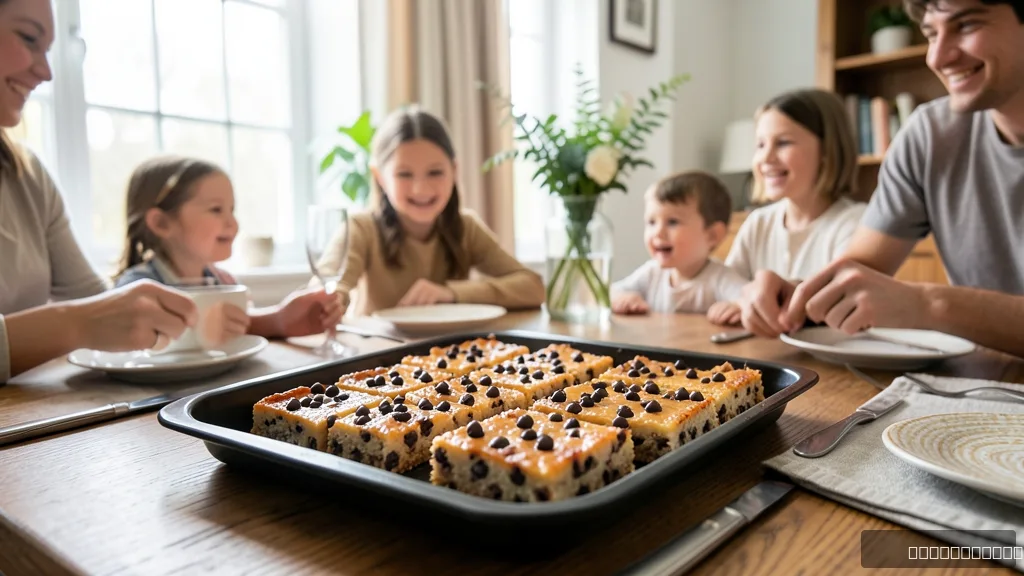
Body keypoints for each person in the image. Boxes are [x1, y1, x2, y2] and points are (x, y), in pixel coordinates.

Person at [738, 0, 1024, 358]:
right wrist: (794, 295)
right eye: (931, 33)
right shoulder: (929, 135)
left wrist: (928, 304)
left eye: (966, 25)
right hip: (985, 380)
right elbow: (858, 274)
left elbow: (920, 303)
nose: (937, 58)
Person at [0, 0, 202, 383]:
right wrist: (75, 324)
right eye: (28, 38)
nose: (45, 72)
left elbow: (97, 304)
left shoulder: (27, 176)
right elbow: (90, 315)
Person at [315, 106, 545, 316]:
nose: (421, 189)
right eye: (404, 174)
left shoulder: (465, 227)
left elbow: (533, 287)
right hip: (377, 354)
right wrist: (331, 302)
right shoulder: (361, 228)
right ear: (379, 177)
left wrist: (450, 293)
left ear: (454, 171)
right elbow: (325, 287)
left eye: (435, 172)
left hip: (452, 358)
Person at [115, 156, 343, 341]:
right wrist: (203, 327)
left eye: (231, 210)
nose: (233, 223)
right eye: (216, 209)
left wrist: (282, 320)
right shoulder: (136, 289)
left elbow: (245, 325)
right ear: (161, 223)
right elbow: (127, 345)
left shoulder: (225, 282)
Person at [708, 88, 866, 326]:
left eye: (782, 143)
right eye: (760, 144)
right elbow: (729, 288)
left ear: (827, 150)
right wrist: (735, 303)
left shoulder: (857, 224)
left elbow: (841, 304)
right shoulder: (758, 222)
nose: (766, 157)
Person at [611, 171, 747, 315]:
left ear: (712, 235)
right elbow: (613, 291)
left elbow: (749, 302)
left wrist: (736, 307)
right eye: (651, 222)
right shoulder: (652, 273)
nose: (658, 232)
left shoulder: (721, 278)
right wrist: (624, 298)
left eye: (672, 222)